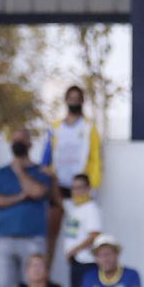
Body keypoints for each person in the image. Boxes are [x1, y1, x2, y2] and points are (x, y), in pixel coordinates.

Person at [0, 128, 54, 287]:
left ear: (30, 144)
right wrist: (20, 197)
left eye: (22, 140)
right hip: (4, 238)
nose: (18, 144)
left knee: (32, 286)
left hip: (33, 238)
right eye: (15, 140)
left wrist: (19, 171)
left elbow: (37, 192)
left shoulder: (41, 172)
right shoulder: (0, 173)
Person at [41, 85, 102, 265]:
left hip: (80, 187)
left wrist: (93, 184)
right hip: (58, 185)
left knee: (82, 231)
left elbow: (96, 156)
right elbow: (47, 152)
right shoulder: (56, 127)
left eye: (78, 98)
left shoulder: (89, 127)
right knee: (52, 232)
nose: (74, 101)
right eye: (71, 97)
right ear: (65, 100)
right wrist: (47, 174)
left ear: (83, 101)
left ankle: (82, 269)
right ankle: (46, 272)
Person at [60, 173, 103, 287]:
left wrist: (74, 250)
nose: (76, 191)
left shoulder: (91, 209)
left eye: (80, 187)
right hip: (76, 260)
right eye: (74, 188)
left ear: (88, 188)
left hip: (86, 262)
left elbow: (94, 235)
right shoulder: (76, 208)